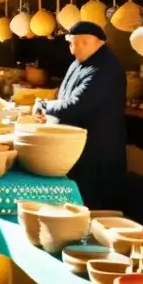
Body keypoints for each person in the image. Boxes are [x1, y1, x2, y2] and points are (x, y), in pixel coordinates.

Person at [33, 21, 126, 210]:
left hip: (97, 147)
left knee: (94, 201)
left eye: (76, 44)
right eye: (71, 44)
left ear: (89, 43)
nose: (73, 50)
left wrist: (45, 106)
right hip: (79, 144)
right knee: (80, 198)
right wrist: (50, 112)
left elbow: (77, 104)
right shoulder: (83, 62)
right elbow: (64, 95)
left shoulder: (104, 68)